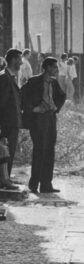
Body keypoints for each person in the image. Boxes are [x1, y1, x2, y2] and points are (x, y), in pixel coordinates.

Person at [22, 57, 66, 194]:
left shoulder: (53, 82)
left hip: (50, 118)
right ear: (46, 67)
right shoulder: (34, 81)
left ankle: (46, 184)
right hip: (38, 119)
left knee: (49, 150)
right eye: (54, 67)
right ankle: (34, 184)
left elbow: (62, 96)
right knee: (39, 149)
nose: (56, 69)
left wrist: (56, 107)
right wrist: (33, 109)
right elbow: (22, 96)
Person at [0, 48, 23, 176]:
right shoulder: (4, 78)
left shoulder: (9, 77)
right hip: (7, 124)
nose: (21, 62)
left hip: (12, 123)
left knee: (9, 153)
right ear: (13, 59)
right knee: (6, 153)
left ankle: (6, 179)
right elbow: (1, 104)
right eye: (20, 59)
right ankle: (4, 181)